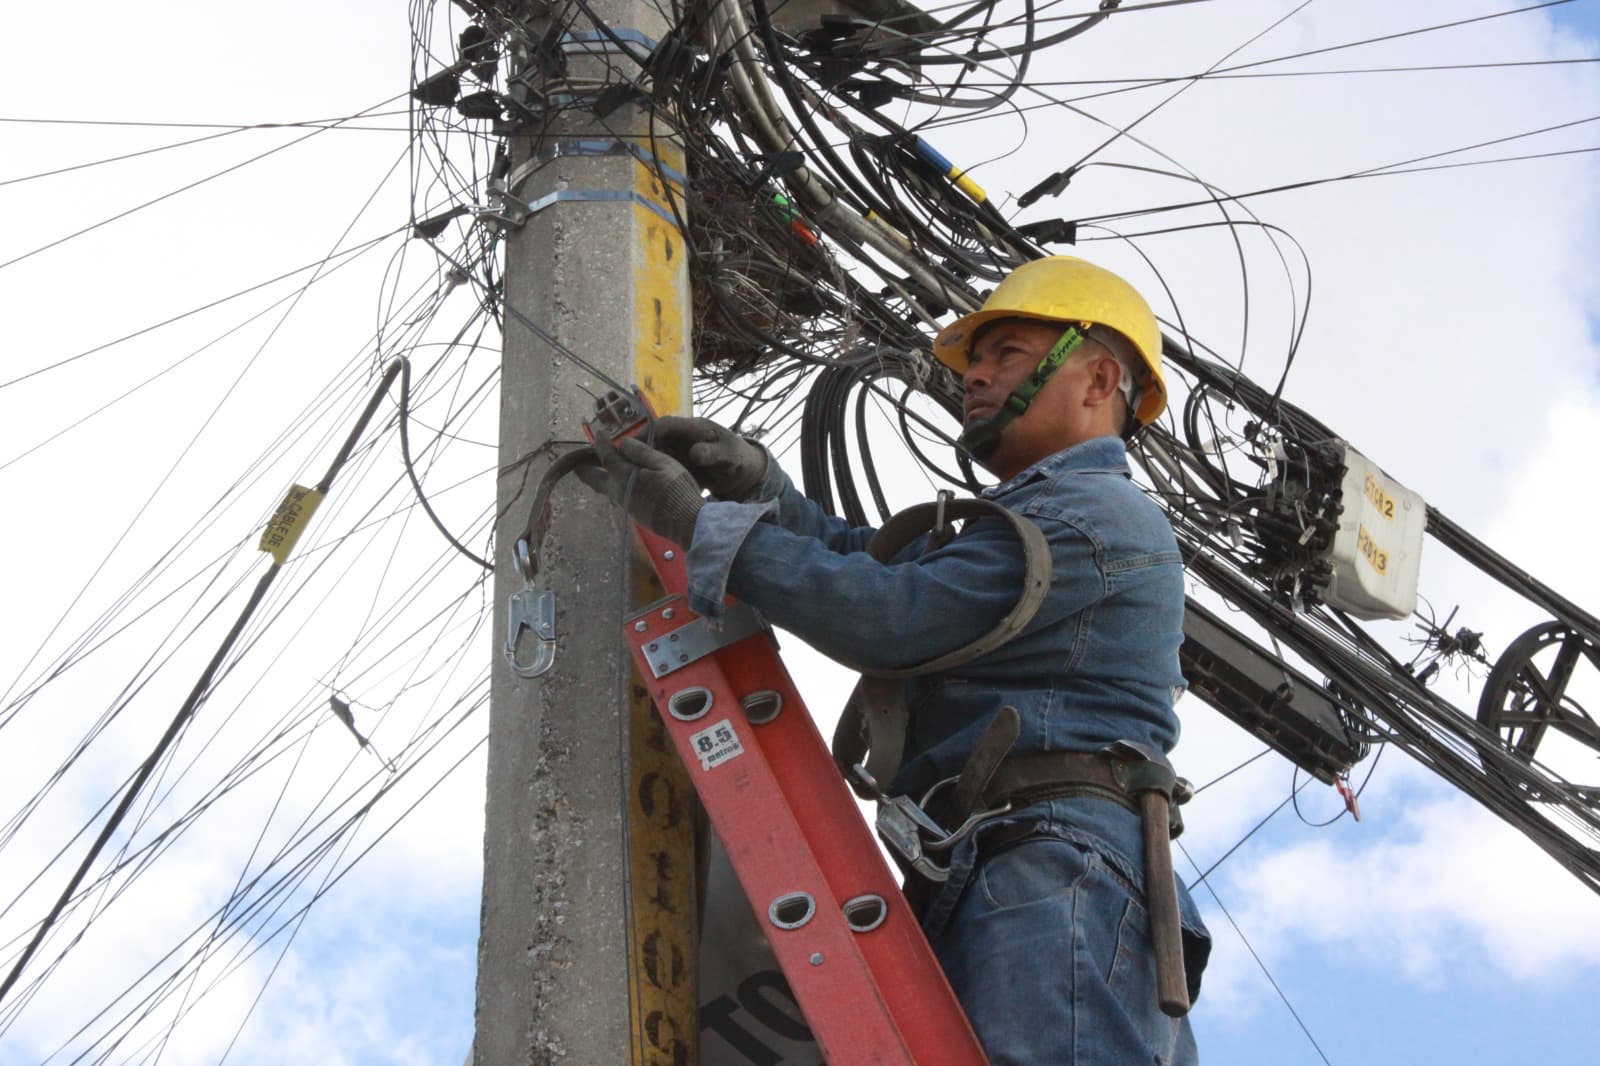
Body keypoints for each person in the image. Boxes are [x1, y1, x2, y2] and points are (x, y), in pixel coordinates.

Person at [578, 256, 1210, 1065]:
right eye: (974, 363)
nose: (974, 379)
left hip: (1055, 865)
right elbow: (886, 573)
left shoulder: (1093, 516)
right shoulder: (1034, 516)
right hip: (1017, 863)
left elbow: (891, 613)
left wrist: (698, 526)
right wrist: (756, 490)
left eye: (1005, 354)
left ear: (1097, 379)